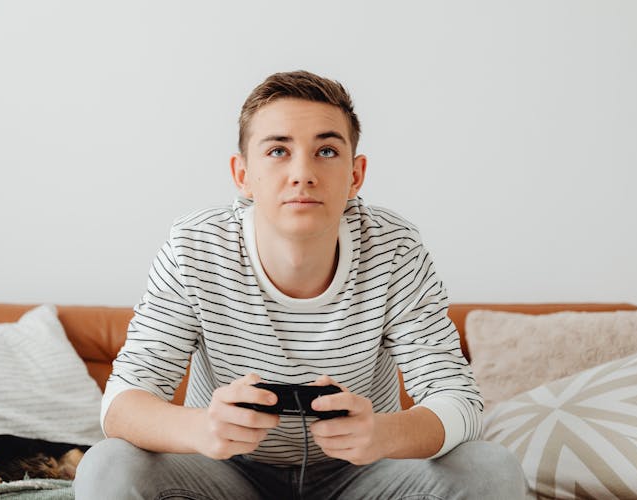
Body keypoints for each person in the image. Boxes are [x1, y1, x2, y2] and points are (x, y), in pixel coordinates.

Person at [75, 70, 526, 499]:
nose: (302, 174)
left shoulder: (396, 248)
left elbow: (459, 401)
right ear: (242, 175)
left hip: (365, 474)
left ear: (355, 175)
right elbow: (120, 404)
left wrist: (383, 434)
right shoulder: (194, 247)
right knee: (107, 465)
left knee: (490, 469)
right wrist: (200, 428)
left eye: (326, 151)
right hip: (224, 472)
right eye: (277, 151)